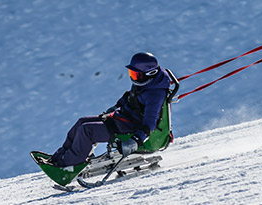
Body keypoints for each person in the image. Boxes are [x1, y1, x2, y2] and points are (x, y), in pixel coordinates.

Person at [44, 53, 173, 170]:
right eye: (132, 73)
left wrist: (136, 140)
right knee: (81, 122)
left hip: (131, 128)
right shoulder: (146, 82)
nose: (133, 78)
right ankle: (59, 157)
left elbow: (150, 122)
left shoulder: (154, 94)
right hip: (124, 118)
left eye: (136, 75)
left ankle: (69, 164)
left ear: (150, 73)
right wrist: (116, 107)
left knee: (87, 130)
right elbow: (132, 97)